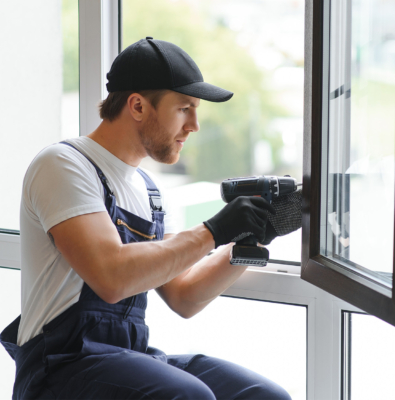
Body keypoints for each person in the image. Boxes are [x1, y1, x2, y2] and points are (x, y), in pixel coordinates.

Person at [0, 38, 301, 399]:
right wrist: (214, 230)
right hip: (60, 369)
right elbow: (111, 275)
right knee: (189, 396)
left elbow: (184, 295)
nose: (194, 125)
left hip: (127, 357)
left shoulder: (150, 192)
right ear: (138, 106)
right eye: (184, 108)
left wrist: (250, 235)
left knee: (262, 395)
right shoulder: (64, 165)